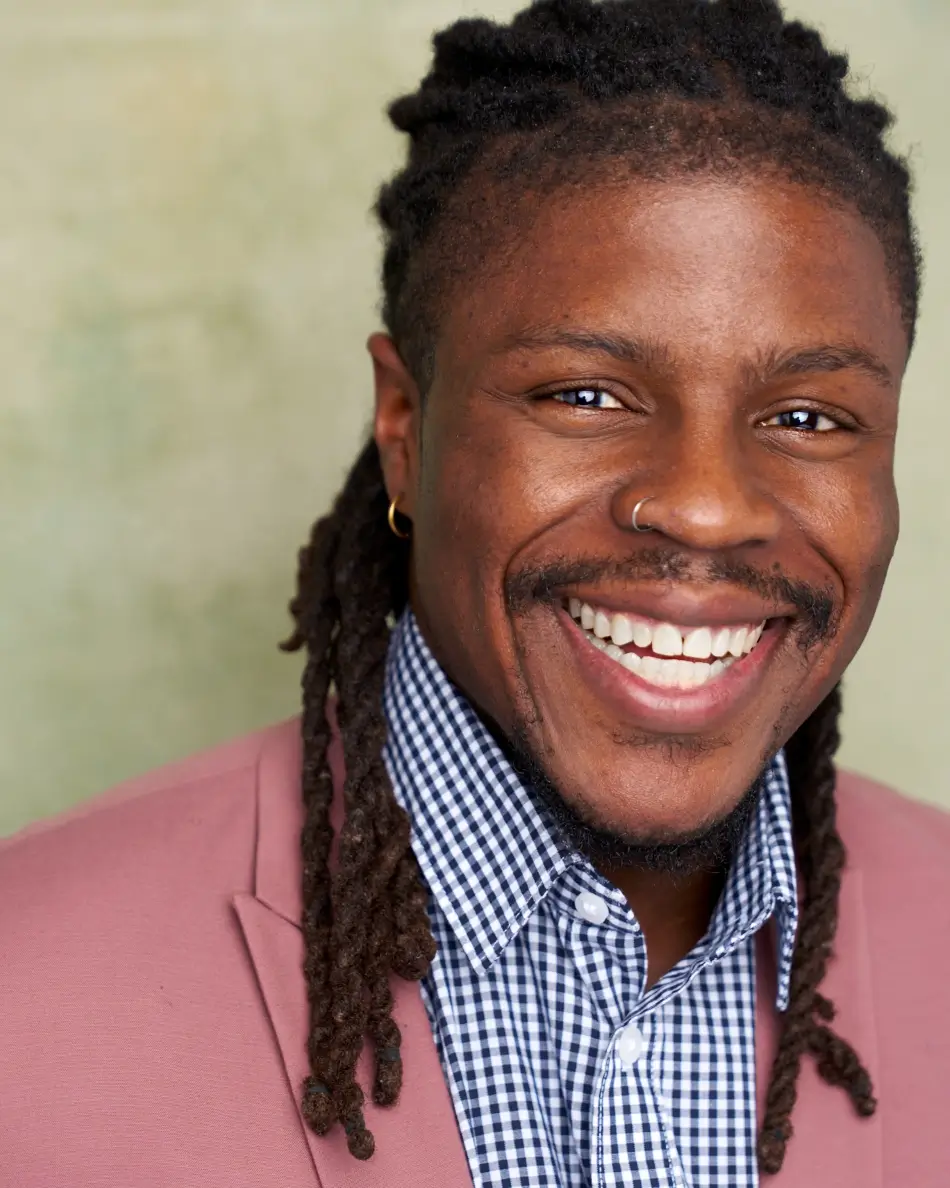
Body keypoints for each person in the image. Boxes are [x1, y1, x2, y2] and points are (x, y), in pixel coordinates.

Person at [2, 0, 948, 1184]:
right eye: (585, 396)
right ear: (404, 427)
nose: (707, 507)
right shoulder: (22, 996)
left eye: (807, 417)